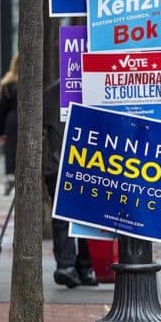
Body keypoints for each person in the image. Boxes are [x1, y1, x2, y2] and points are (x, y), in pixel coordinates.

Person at [43, 79, 97, 288]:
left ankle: (68, 265)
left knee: (64, 217)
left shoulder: (50, 94)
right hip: (82, 164)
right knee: (84, 216)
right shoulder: (93, 90)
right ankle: (80, 266)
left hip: (62, 165)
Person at [0, 53, 20, 194]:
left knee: (11, 151)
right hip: (28, 120)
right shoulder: (35, 82)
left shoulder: (7, 83)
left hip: (11, 120)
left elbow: (1, 110)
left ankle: (10, 179)